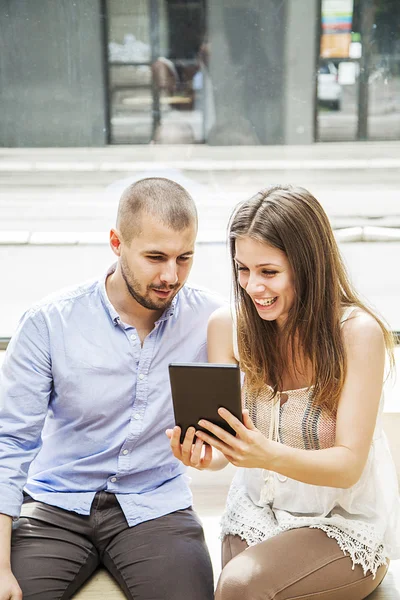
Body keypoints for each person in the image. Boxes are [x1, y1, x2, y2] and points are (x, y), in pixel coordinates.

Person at [168, 185, 400, 600]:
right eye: (243, 269)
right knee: (233, 585)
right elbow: (228, 450)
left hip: (341, 523)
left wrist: (266, 454)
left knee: (240, 585)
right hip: (259, 512)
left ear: (308, 265)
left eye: (268, 271)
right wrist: (205, 457)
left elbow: (348, 465)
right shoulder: (229, 326)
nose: (252, 286)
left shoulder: (356, 335)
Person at [0, 177, 224, 600]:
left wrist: (209, 458)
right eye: (155, 257)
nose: (170, 275)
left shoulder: (213, 320)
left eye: (184, 258)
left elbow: (229, 442)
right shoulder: (49, 322)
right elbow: (9, 444)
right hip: (54, 504)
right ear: (116, 242)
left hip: (155, 504)